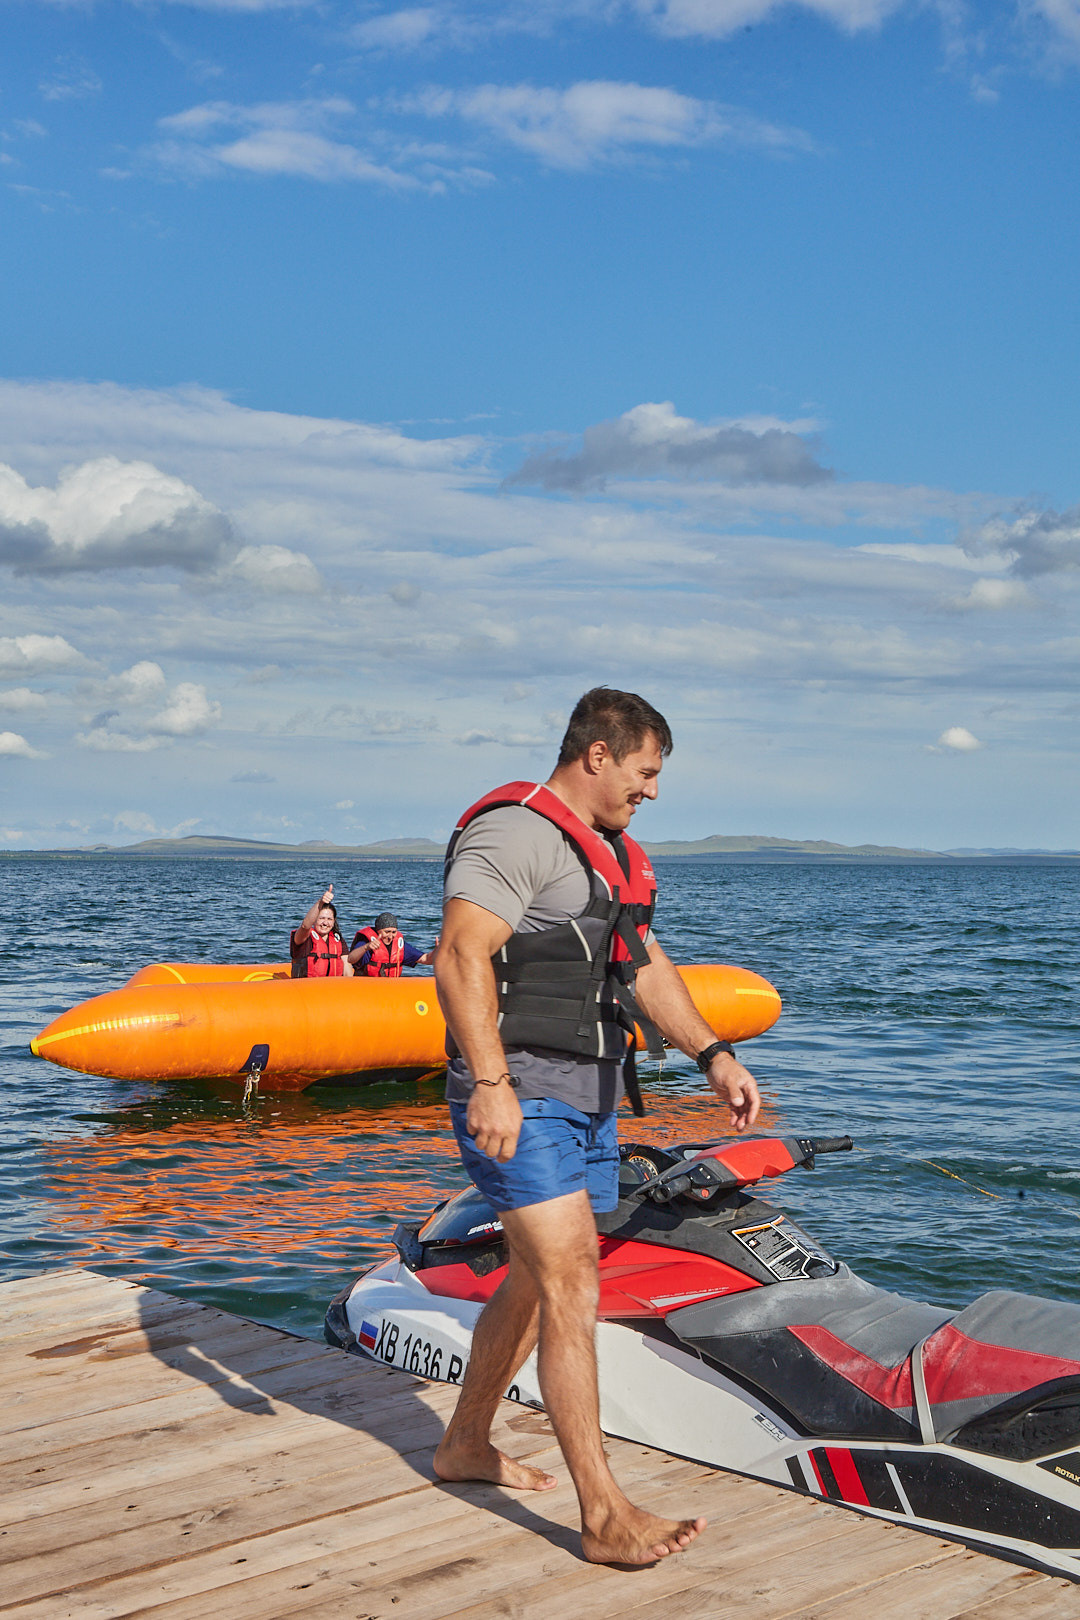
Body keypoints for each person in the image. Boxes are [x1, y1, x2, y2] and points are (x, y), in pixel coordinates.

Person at [433, 686, 761, 1567]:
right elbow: (460, 951)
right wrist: (492, 1084)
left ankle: (464, 1441)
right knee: (573, 1275)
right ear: (598, 755)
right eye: (646, 772)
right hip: (521, 1086)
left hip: (590, 1091)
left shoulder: (612, 854)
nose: (652, 790)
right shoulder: (516, 833)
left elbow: (643, 965)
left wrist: (713, 1054)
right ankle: (604, 1512)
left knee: (541, 1278)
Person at [290, 886, 354, 978]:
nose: (325, 923)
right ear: (314, 920)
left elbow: (348, 971)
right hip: (306, 988)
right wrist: (320, 903)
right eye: (321, 918)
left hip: (331, 989)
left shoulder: (338, 940)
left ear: (334, 921)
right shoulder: (304, 938)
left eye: (329, 919)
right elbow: (305, 926)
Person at [347, 912, 434, 977]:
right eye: (387, 932)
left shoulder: (400, 946)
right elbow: (351, 959)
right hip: (368, 987)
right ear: (378, 931)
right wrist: (366, 947)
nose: (390, 936)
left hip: (391, 988)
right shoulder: (366, 943)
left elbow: (425, 959)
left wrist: (438, 952)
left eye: (393, 932)